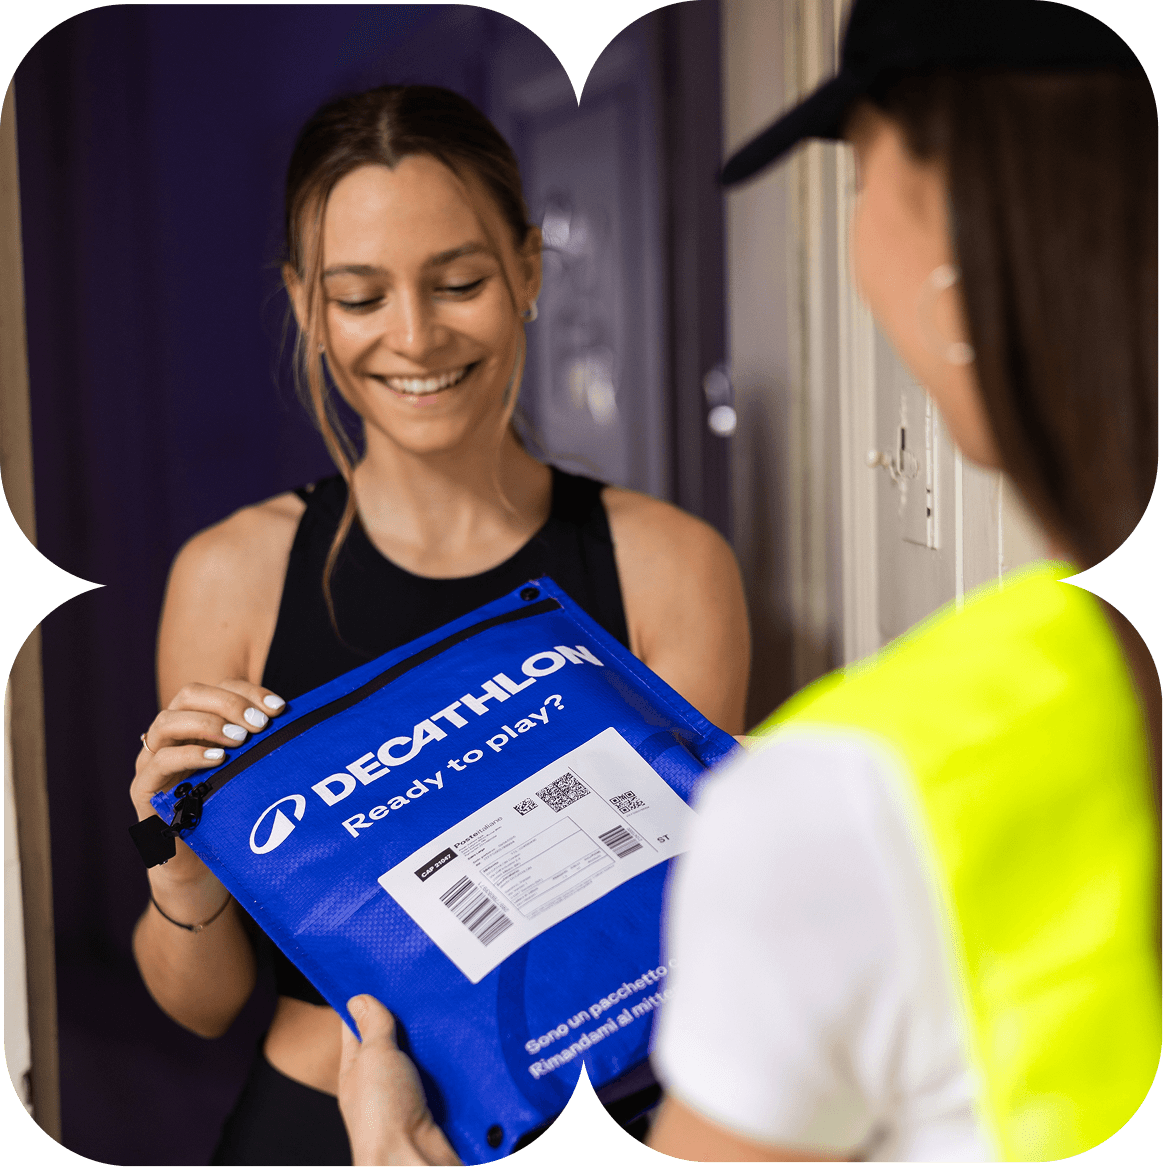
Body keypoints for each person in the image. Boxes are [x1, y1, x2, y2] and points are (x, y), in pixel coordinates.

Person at [333, 2, 1160, 1163]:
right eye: (359, 294)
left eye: (860, 178)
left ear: (952, 246)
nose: (413, 334)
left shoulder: (851, 793)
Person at [128, 84, 750, 1166]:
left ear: (527, 273)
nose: (414, 336)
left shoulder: (669, 568)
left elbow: (688, 936)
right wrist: (180, 872)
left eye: (459, 283)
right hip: (310, 1129)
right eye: (359, 296)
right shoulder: (228, 578)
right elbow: (203, 1005)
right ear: (305, 304)